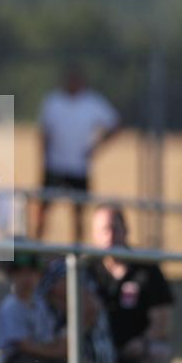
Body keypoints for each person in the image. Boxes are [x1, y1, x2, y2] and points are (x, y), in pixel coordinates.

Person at [87, 204, 173, 363]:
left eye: (114, 228)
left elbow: (162, 321)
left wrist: (142, 342)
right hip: (94, 350)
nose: (110, 236)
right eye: (103, 230)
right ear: (94, 236)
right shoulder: (86, 270)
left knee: (160, 355)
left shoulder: (146, 269)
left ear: (126, 230)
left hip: (135, 348)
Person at [0, 253, 103, 363]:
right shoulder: (10, 307)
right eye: (21, 273)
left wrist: (64, 343)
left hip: (44, 355)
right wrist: (57, 351)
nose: (27, 279)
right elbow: (23, 346)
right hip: (20, 358)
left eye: (32, 273)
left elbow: (50, 337)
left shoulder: (40, 304)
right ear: (12, 275)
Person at [34, 64, 119, 242]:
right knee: (43, 209)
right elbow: (44, 132)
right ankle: (36, 248)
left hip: (79, 167)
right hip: (54, 165)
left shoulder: (92, 102)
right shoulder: (53, 101)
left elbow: (115, 123)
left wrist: (96, 147)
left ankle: (77, 251)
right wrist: (43, 160)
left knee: (79, 212)